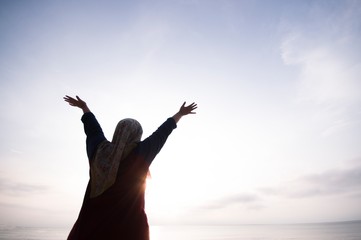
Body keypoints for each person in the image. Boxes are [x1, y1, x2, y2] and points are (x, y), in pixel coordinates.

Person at [63, 95, 197, 240]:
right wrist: (180, 114)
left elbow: (93, 130)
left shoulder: (99, 151)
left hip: (90, 229)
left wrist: (84, 108)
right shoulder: (140, 154)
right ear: (137, 134)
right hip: (129, 230)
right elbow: (161, 133)